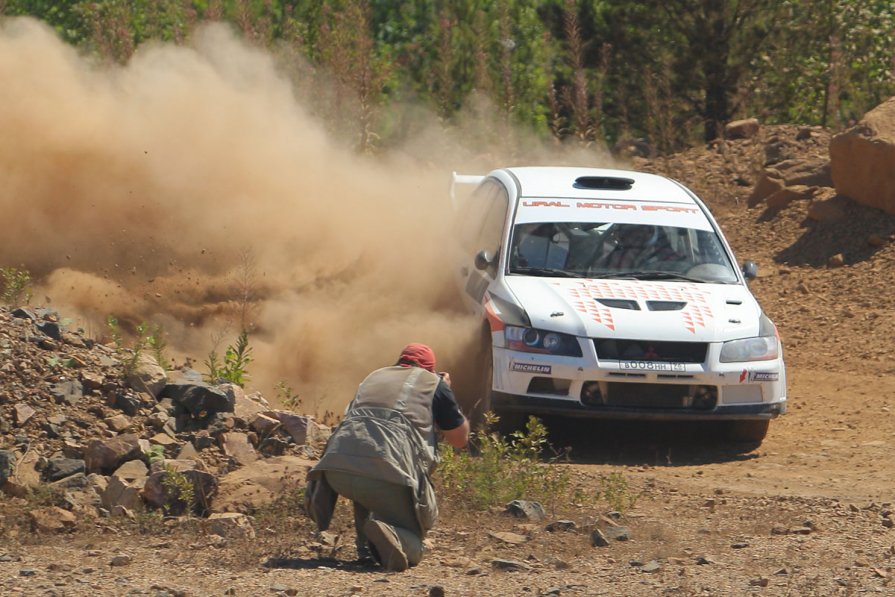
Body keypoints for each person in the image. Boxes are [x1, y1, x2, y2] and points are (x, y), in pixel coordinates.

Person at [305, 343, 470, 572]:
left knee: (365, 467)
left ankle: (365, 548)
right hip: (386, 473)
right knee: (415, 543)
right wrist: (446, 391)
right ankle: (391, 536)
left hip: (336, 470)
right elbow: (459, 439)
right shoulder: (434, 385)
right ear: (430, 369)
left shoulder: (373, 377)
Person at [601, 223, 679, 270]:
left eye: (646, 230)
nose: (641, 234)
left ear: (651, 232)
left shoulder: (671, 258)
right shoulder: (614, 258)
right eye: (629, 232)